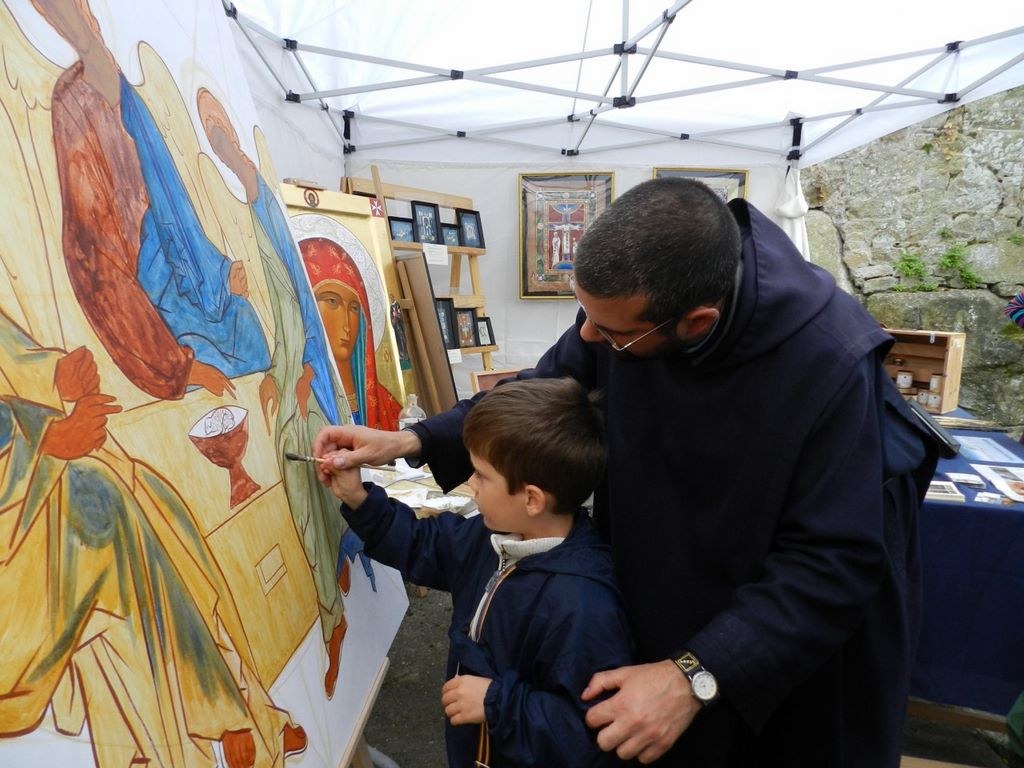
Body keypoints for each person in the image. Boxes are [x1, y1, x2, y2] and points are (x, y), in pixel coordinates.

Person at [314, 177, 941, 767]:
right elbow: (545, 386)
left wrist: (693, 675)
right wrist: (414, 438)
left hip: (767, 649)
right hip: (659, 597)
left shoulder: (827, 363)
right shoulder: (627, 312)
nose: (588, 335)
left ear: (696, 323)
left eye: (611, 332)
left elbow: (831, 563)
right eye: (583, 315)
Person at [322, 378, 633, 767]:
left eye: (482, 475)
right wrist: (359, 499)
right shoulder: (490, 536)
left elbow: (587, 734)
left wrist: (495, 702)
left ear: (532, 499)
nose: (470, 483)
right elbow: (423, 545)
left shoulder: (582, 604)